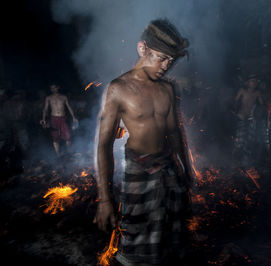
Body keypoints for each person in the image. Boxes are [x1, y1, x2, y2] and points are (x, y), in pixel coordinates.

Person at [93, 19, 191, 266]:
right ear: (142, 48)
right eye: (161, 58)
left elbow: (174, 131)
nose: (166, 66)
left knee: (170, 238)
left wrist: (184, 167)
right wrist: (105, 200)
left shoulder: (168, 89)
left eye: (171, 61)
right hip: (139, 171)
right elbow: (104, 145)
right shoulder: (119, 88)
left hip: (168, 169)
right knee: (136, 244)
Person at [233, 73, 268, 166]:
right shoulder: (242, 91)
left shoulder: (257, 93)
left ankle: (246, 160)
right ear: (247, 83)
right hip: (240, 117)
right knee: (239, 139)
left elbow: (262, 105)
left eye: (255, 81)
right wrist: (235, 108)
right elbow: (235, 102)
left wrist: (262, 113)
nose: (255, 83)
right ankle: (235, 158)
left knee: (249, 139)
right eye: (253, 81)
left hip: (251, 118)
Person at [40, 84, 78, 157]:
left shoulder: (63, 97)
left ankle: (68, 152)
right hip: (54, 118)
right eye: (51, 88)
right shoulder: (49, 98)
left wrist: (74, 117)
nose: (53, 89)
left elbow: (69, 107)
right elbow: (45, 109)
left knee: (67, 136)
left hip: (62, 118)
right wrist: (43, 119)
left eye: (54, 87)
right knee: (55, 137)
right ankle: (58, 154)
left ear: (58, 88)